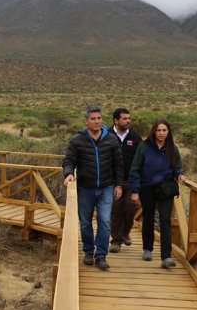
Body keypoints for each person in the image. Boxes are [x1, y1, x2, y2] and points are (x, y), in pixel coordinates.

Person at [63, 106, 124, 270]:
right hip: (85, 188)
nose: (97, 121)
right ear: (87, 121)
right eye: (93, 119)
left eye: (99, 118)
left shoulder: (111, 139)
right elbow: (69, 160)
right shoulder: (77, 140)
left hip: (106, 188)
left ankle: (101, 255)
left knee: (105, 221)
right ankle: (89, 251)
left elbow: (118, 165)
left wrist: (118, 184)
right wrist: (68, 173)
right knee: (85, 223)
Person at [128, 119, 186, 268]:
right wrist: (135, 191)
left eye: (164, 130)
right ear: (154, 131)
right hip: (147, 188)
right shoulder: (144, 147)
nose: (161, 133)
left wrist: (180, 174)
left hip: (165, 188)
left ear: (168, 132)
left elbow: (177, 166)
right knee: (148, 217)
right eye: (158, 130)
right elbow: (135, 169)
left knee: (165, 220)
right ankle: (147, 249)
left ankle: (166, 257)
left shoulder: (173, 148)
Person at [109, 108, 142, 253]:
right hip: (112, 179)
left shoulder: (135, 137)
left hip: (131, 179)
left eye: (129, 118)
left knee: (131, 206)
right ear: (116, 120)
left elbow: (141, 159)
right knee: (116, 208)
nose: (128, 121)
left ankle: (125, 233)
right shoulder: (107, 135)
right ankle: (116, 240)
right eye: (124, 118)